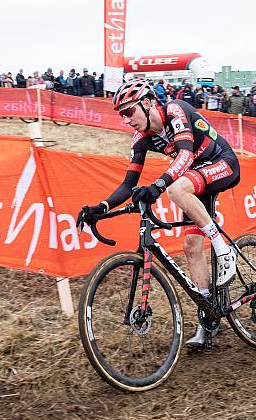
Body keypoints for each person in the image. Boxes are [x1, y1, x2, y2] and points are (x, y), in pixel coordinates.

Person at [76, 79, 241, 349]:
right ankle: (208, 318)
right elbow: (128, 184)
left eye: (129, 112)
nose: (126, 120)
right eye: (121, 115)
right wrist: (101, 207)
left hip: (222, 163)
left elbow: (186, 155)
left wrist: (158, 185)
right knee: (190, 246)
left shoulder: (175, 110)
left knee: (175, 189)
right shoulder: (141, 139)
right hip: (193, 179)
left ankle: (224, 250)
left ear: (148, 103)